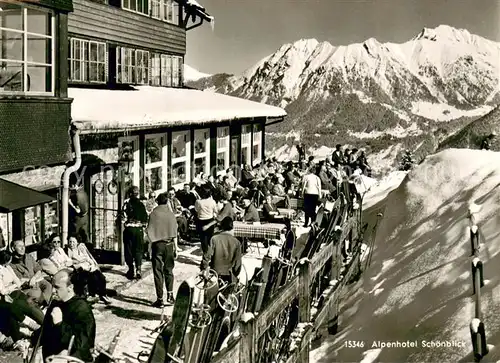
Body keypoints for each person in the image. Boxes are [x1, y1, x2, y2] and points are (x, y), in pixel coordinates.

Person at [38, 269, 96, 362]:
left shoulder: (82, 309)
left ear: (70, 287)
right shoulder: (55, 303)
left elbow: (81, 345)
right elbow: (46, 329)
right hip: (51, 357)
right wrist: (32, 339)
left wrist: (60, 324)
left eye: (57, 287)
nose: (53, 291)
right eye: (52, 286)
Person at [147, 192, 178, 307]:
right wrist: (176, 248)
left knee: (158, 272)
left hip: (157, 245)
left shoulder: (153, 214)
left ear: (157, 201)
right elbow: (175, 232)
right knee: (169, 270)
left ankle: (160, 299)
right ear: (167, 202)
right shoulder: (171, 214)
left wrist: (149, 248)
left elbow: (149, 231)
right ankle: (170, 296)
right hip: (169, 245)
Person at [67, 235, 111, 305]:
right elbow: (69, 262)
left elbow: (88, 258)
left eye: (73, 242)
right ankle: (92, 295)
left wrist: (91, 264)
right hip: (80, 269)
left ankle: (103, 294)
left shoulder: (80, 248)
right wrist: (80, 262)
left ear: (77, 242)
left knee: (101, 277)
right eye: (70, 242)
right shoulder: (68, 251)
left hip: (87, 266)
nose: (71, 244)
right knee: (93, 277)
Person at [9, 239, 52, 307]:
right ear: (13, 248)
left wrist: (34, 278)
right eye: (20, 246)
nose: (23, 248)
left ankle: (44, 304)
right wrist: (31, 281)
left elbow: (38, 269)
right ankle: (40, 305)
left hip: (36, 280)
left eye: (23, 246)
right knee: (36, 294)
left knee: (48, 286)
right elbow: (19, 279)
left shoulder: (28, 257)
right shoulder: (11, 263)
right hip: (26, 287)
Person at [201, 217, 242, 285]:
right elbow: (238, 264)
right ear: (232, 228)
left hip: (215, 274)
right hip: (229, 275)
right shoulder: (236, 242)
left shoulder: (214, 239)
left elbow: (206, 257)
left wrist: (204, 269)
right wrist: (235, 275)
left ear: (221, 227)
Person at [122, 186, 148, 280]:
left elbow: (123, 217)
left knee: (128, 250)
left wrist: (126, 222)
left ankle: (131, 269)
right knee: (138, 250)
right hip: (138, 230)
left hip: (129, 230)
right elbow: (145, 219)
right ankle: (138, 269)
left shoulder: (126, 203)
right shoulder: (141, 204)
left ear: (129, 193)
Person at [194, 188, 219, 254]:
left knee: (202, 238)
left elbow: (196, 210)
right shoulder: (212, 201)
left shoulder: (198, 202)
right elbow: (216, 211)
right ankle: (209, 252)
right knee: (209, 237)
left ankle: (205, 251)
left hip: (200, 220)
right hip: (210, 220)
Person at [68, 177, 90, 245]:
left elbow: (77, 210)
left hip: (78, 219)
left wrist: (70, 203)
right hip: (85, 218)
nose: (70, 187)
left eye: (71, 185)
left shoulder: (77, 195)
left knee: (74, 236)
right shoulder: (83, 192)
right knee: (85, 235)